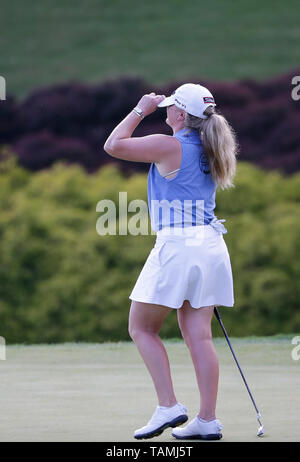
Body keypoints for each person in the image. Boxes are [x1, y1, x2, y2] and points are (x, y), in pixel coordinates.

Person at [104, 83, 238, 441]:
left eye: (169, 108)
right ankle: (207, 421)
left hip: (179, 246)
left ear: (181, 114)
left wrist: (139, 110)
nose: (165, 112)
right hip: (210, 244)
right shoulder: (211, 146)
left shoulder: (170, 144)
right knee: (199, 336)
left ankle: (169, 406)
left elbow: (113, 145)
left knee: (141, 327)